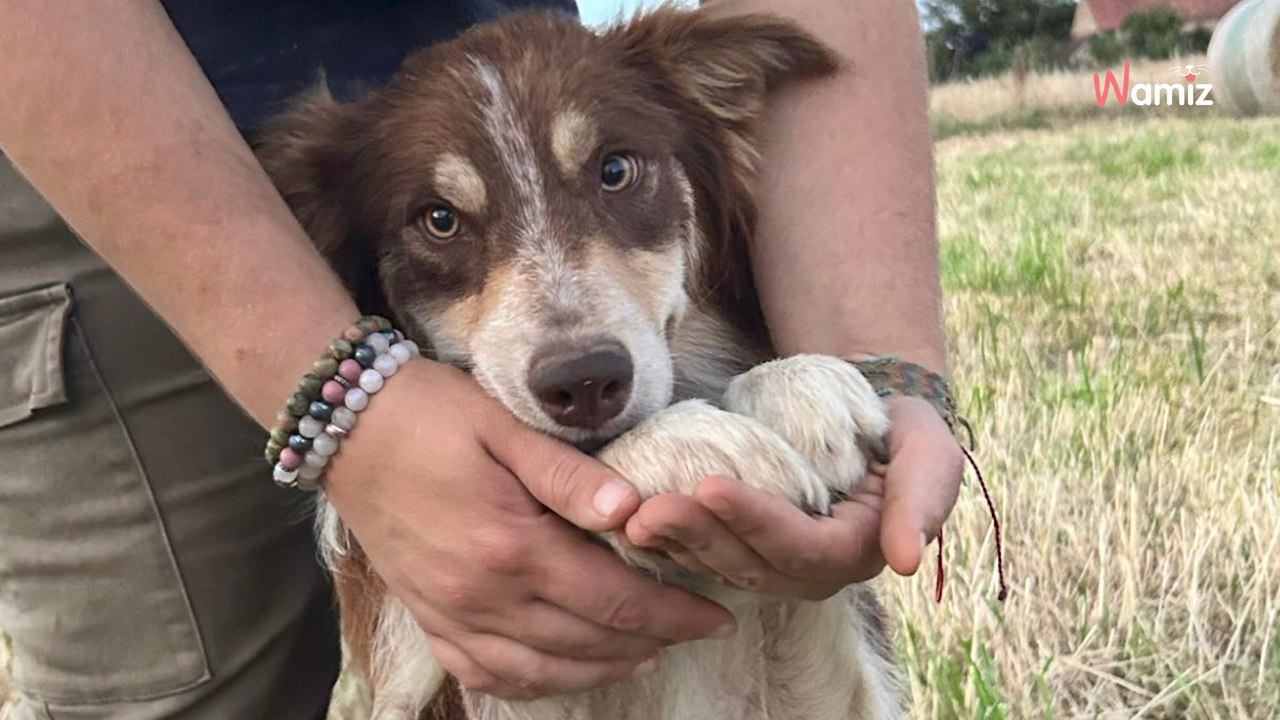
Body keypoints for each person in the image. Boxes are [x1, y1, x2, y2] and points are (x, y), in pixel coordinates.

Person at [0, 0, 961, 718]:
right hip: (77, 112)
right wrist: (355, 410)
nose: (572, 332)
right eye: (443, 222)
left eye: (616, 173)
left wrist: (881, 368)